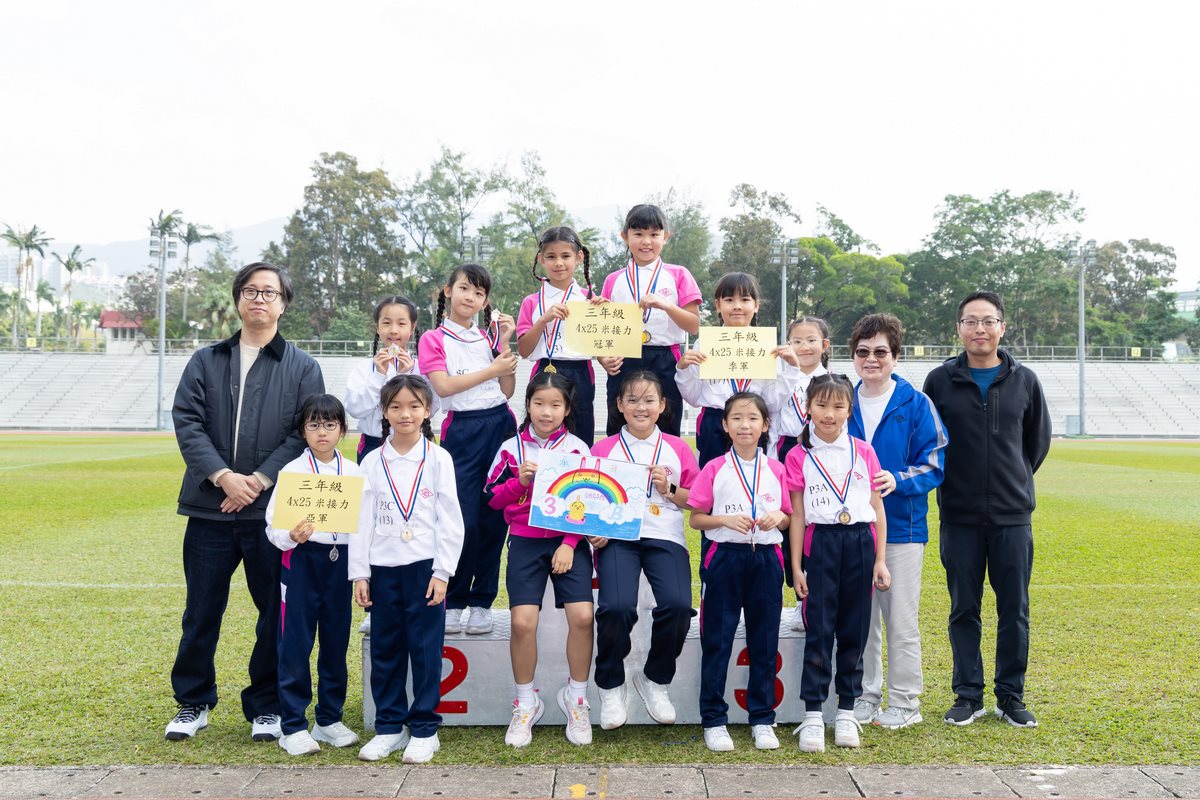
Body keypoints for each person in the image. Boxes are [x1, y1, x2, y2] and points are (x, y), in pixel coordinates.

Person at [165, 261, 324, 742]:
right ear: (238, 299)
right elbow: (187, 421)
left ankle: (267, 706)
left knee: (273, 613)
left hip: (270, 513)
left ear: (283, 303)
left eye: (269, 292)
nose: (259, 299)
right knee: (201, 611)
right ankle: (193, 702)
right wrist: (222, 477)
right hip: (210, 509)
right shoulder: (206, 360)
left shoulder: (303, 366)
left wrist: (255, 480)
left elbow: (305, 432)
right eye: (251, 291)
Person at [922, 291, 1051, 729]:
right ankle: (967, 695)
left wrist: (1011, 480)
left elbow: (1036, 444)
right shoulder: (939, 381)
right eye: (971, 321)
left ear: (1002, 327)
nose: (980, 329)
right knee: (964, 608)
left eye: (988, 321)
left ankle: (1011, 696)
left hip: (1012, 517)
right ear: (958, 328)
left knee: (1014, 609)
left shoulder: (1025, 380)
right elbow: (930, 442)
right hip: (959, 515)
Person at [352, 375, 465, 764]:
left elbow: (451, 519)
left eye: (414, 406)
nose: (405, 414)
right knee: (385, 648)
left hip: (424, 570)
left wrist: (442, 572)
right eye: (396, 406)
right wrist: (360, 574)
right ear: (383, 412)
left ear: (428, 410)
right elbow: (361, 523)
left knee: (425, 649)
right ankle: (389, 727)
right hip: (382, 569)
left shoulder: (438, 458)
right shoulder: (371, 462)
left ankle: (425, 729)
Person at [845, 314, 947, 729]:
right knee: (861, 621)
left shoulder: (916, 403)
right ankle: (865, 696)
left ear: (896, 356)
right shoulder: (841, 400)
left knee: (900, 620)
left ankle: (905, 701)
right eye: (863, 351)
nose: (871, 359)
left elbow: (935, 463)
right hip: (850, 530)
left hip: (902, 530)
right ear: (853, 356)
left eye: (880, 352)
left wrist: (898, 479)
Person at [483, 373, 594, 748]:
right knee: (522, 622)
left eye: (555, 405)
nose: (547, 412)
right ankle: (526, 703)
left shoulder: (578, 449)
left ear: (567, 409)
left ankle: (576, 698)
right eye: (539, 403)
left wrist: (570, 543)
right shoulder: (510, 448)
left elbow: (587, 502)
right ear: (527, 405)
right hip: (525, 542)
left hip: (567, 541)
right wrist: (520, 483)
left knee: (583, 616)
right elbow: (492, 499)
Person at [786, 373, 891, 753]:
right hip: (822, 545)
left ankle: (846, 710)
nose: (829, 414)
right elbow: (797, 516)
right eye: (821, 405)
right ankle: (813, 715)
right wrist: (796, 567)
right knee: (819, 629)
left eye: (838, 406)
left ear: (850, 409)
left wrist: (880, 560)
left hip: (860, 543)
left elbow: (877, 509)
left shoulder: (863, 451)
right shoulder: (798, 455)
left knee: (854, 630)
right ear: (808, 407)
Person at [590, 370, 699, 731]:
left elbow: (696, 501)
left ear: (662, 405)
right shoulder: (603, 449)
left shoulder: (677, 448)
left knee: (679, 606)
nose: (641, 407)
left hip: (664, 534)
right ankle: (610, 684)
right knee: (616, 607)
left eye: (649, 399)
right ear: (619, 405)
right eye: (632, 400)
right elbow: (587, 499)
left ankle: (655, 679)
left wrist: (669, 488)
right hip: (618, 537)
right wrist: (593, 531)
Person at [687, 392, 792, 752]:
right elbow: (696, 518)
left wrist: (779, 517)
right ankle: (714, 719)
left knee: (764, 639)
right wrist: (724, 520)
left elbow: (788, 516)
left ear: (765, 425)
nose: (745, 425)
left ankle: (762, 718)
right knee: (718, 639)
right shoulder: (714, 468)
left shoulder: (776, 469)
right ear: (725, 425)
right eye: (737, 418)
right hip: (724, 559)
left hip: (766, 560)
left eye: (752, 419)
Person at [418, 263, 518, 637]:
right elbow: (443, 387)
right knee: (461, 519)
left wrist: (504, 344)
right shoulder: (433, 338)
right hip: (462, 429)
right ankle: (454, 599)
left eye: (478, 293)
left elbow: (507, 390)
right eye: (464, 288)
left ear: (485, 301)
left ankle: (481, 602)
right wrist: (492, 369)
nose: (470, 297)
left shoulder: (489, 339)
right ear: (448, 291)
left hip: (500, 425)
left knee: (494, 517)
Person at [264, 394, 366, 755]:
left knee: (336, 644)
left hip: (340, 564)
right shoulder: (292, 472)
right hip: (301, 562)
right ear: (303, 431)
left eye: (330, 425)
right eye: (314, 425)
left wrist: (361, 573)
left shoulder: (354, 473)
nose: (322, 432)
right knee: (295, 644)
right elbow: (273, 526)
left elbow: (362, 527)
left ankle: (328, 719)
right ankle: (292, 725)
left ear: (342, 429)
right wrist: (290, 536)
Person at [675, 272, 803, 468]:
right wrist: (683, 369)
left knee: (752, 477)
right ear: (718, 305)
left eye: (745, 299)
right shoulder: (704, 343)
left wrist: (793, 369)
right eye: (729, 300)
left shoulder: (767, 346)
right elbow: (693, 397)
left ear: (756, 305)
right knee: (712, 477)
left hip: (752, 422)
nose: (737, 306)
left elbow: (772, 402)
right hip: (714, 422)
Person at [598, 204, 702, 437]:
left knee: (667, 425)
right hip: (623, 358)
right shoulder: (613, 279)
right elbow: (602, 332)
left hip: (666, 358)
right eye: (638, 234)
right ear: (625, 236)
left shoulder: (678, 274)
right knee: (619, 425)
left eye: (654, 234)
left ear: (666, 237)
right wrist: (602, 357)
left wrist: (665, 305)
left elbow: (693, 325)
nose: (646, 241)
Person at [771, 316, 831, 632]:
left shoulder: (832, 383)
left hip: (820, 456)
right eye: (796, 341)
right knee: (787, 526)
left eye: (811, 340)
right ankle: (797, 600)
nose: (804, 347)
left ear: (825, 345)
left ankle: (812, 601)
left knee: (814, 525)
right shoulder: (780, 377)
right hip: (783, 454)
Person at [516, 226, 601, 446]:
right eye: (551, 257)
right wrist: (543, 320)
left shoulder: (591, 300)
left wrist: (605, 315)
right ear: (541, 259)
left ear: (579, 257)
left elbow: (601, 345)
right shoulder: (532, 302)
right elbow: (523, 350)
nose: (559, 263)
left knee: (581, 432)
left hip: (581, 371)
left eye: (566, 256)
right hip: (545, 368)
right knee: (541, 430)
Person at [345, 295, 435, 464]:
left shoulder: (421, 369)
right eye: (386, 323)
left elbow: (432, 408)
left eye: (401, 323)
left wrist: (406, 378)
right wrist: (378, 376)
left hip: (413, 445)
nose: (393, 330)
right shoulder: (364, 368)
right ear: (377, 328)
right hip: (373, 445)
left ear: (412, 327)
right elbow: (355, 409)